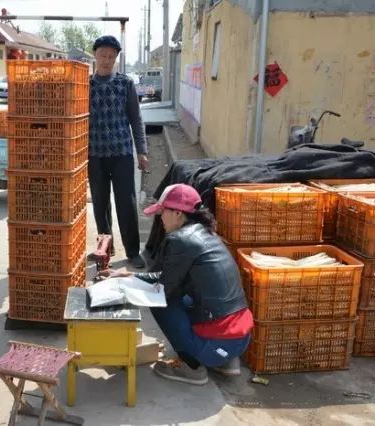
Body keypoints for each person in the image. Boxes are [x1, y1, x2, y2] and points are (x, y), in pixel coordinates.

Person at [98, 184, 254, 385]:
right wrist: (128, 274)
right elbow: (168, 277)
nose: (160, 218)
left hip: (219, 342)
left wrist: (126, 287)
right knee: (184, 297)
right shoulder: (206, 234)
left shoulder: (181, 240)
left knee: (158, 301)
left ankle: (193, 368)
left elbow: (162, 289)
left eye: (163, 212)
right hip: (240, 339)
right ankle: (226, 362)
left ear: (178, 213)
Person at [88, 35, 148, 269]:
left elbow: (136, 119)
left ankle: (133, 251)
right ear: (95, 55)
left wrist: (141, 150)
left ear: (116, 58)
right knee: (100, 204)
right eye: (102, 55)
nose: (106, 60)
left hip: (122, 153)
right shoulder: (86, 85)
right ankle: (106, 249)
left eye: (111, 56)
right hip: (94, 155)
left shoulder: (125, 84)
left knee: (126, 203)